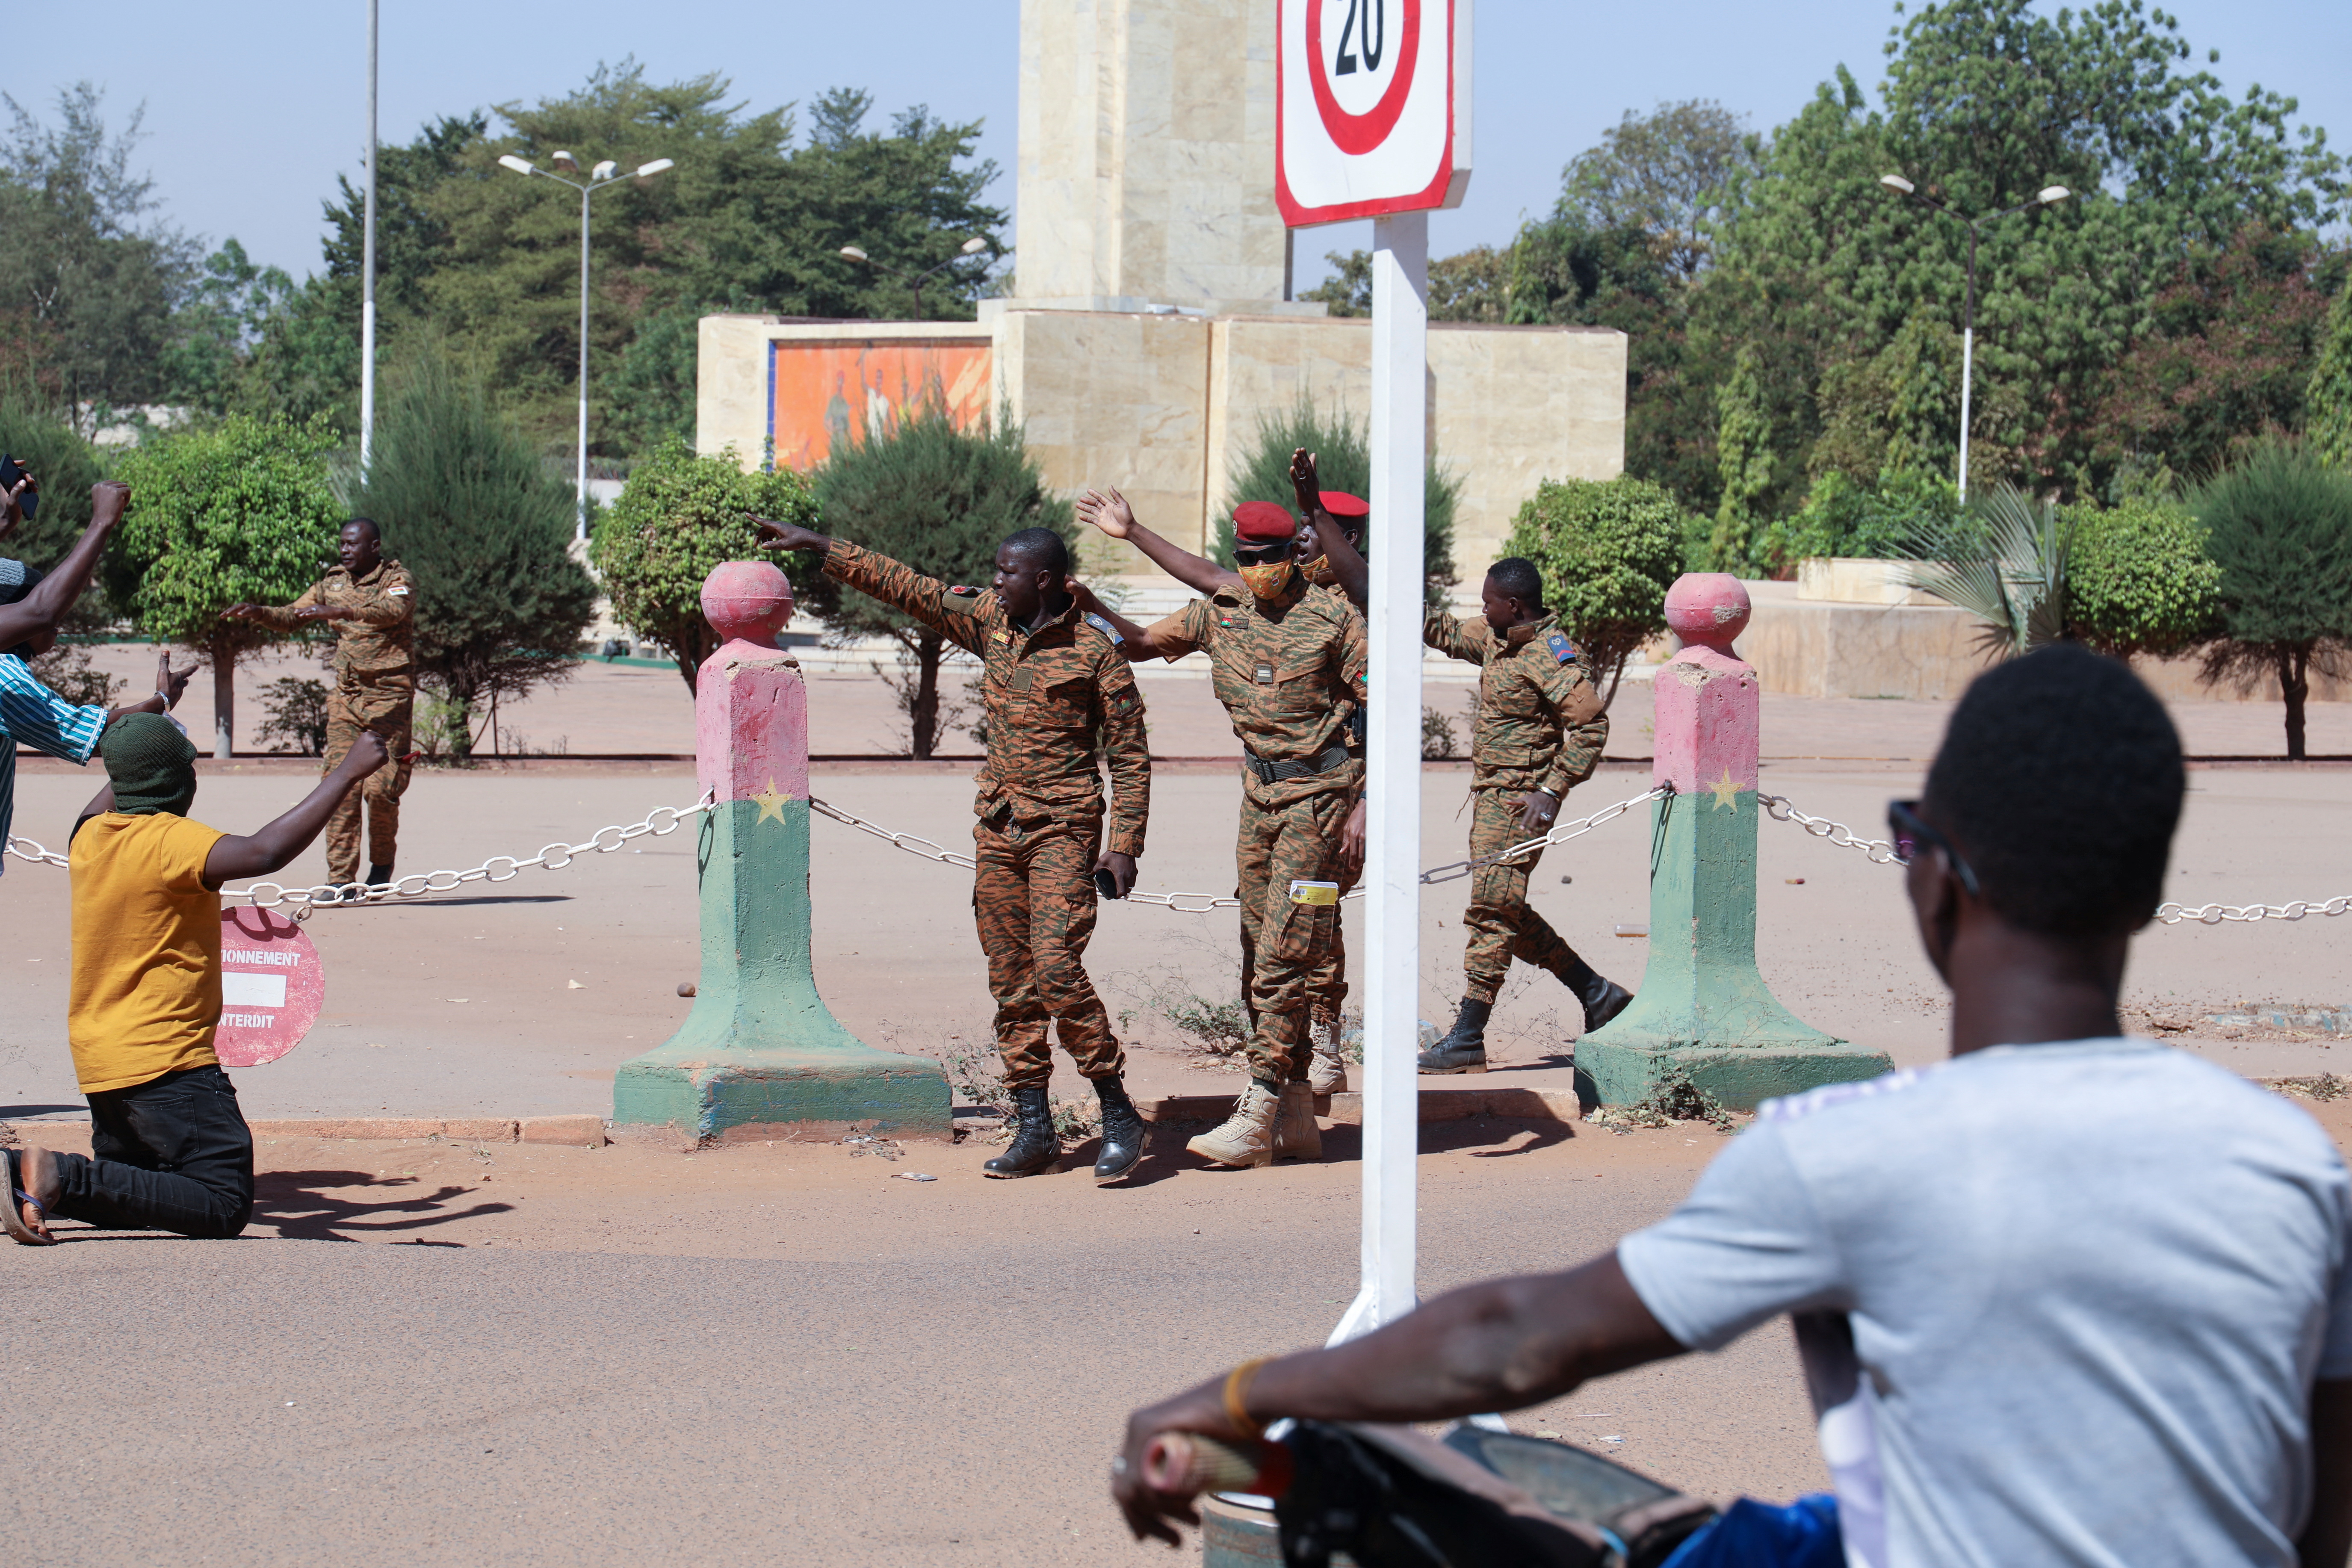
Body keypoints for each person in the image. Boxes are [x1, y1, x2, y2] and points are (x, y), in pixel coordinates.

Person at [1112, 644, 2352, 1568]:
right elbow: (2312, 1512)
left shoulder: (1852, 1152)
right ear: (2142, 899)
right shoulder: (2293, 1164)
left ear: (1925, 872)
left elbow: (1516, 1339)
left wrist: (1234, 1394)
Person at [755, 516, 1155, 1184]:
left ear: (1047, 580)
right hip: (999, 828)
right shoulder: (992, 622)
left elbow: (1132, 757)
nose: (997, 581)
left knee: (1057, 968)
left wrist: (1124, 844)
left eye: (1009, 572)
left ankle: (1117, 1110)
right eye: (996, 571)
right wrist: (825, 546)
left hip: (1065, 827)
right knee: (1011, 978)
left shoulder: (1096, 653)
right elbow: (910, 588)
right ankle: (1034, 1125)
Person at [3, 715, 390, 1243]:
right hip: (167, 1059)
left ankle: (17, 1179)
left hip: (102, 1060)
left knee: (147, 1190)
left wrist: (154, 717)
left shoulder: (89, 837)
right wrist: (346, 773)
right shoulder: (171, 842)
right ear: (178, 782)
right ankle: (59, 1175)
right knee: (221, 1202)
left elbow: (116, 784)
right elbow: (264, 852)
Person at [1078, 499, 1368, 1169]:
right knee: (1255, 946)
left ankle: (1260, 1102)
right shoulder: (1221, 612)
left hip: (1320, 797)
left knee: (1286, 952)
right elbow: (1139, 644)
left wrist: (1365, 803)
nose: (1259, 571)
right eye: (1248, 560)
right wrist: (1091, 601)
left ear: (1292, 555)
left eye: (1271, 558)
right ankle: (1295, 1111)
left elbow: (1385, 708)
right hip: (1259, 797)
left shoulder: (1333, 619)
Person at [1416, 557, 1632, 1072]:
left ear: (1513, 605)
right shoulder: (1496, 635)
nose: (1481, 609)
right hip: (1488, 800)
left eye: (1488, 601)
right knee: (1504, 906)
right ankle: (1597, 993)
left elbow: (1590, 727)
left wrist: (1550, 791)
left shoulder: (1549, 655)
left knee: (1491, 912)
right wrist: (1368, 581)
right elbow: (1443, 630)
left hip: (1519, 804)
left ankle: (1468, 1035)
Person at [0, 478, 198, 864]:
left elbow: (39, 611)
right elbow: (90, 733)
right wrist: (102, 522)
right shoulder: (3, 673)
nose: (59, 622)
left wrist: (4, 525)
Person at [223, 517, 415, 895]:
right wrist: (260, 611)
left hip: (389, 702)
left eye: (352, 544)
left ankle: (382, 865)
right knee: (339, 786)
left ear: (374, 547)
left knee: (381, 791)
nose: (344, 550)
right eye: (342, 543)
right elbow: (295, 614)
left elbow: (393, 612)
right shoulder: (333, 582)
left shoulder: (397, 579)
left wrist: (343, 613)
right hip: (347, 700)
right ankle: (341, 878)